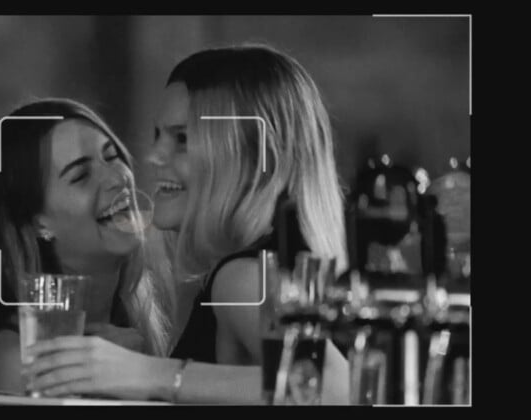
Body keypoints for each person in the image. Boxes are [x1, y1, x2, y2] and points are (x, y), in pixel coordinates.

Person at [23, 44, 350, 404]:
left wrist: (144, 373)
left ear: (253, 158)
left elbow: (334, 388)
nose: (153, 156)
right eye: (157, 136)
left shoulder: (242, 278)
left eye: (181, 138)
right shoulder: (263, 272)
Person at [0, 98, 174, 392]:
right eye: (81, 176)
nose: (117, 178)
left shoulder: (133, 325)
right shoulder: (21, 361)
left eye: (112, 156)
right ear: (38, 224)